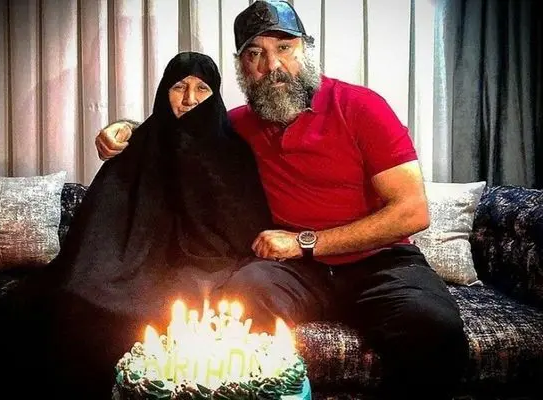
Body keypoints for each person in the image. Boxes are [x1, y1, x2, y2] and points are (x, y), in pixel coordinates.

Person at [94, 1, 470, 399]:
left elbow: (412, 211)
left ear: (306, 49)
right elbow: (176, 132)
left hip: (378, 261)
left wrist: (305, 242)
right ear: (242, 66)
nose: (271, 65)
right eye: (255, 54)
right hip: (292, 270)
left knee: (434, 328)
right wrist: (126, 129)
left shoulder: (361, 106)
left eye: (284, 47)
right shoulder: (236, 125)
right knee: (234, 308)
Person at [0, 52, 274, 399]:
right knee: (75, 301)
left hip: (203, 268)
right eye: (179, 87)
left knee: (170, 313)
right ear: (164, 92)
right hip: (128, 265)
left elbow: (243, 227)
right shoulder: (140, 143)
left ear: (215, 94)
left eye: (202, 88)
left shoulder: (233, 151)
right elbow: (103, 221)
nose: (190, 98)